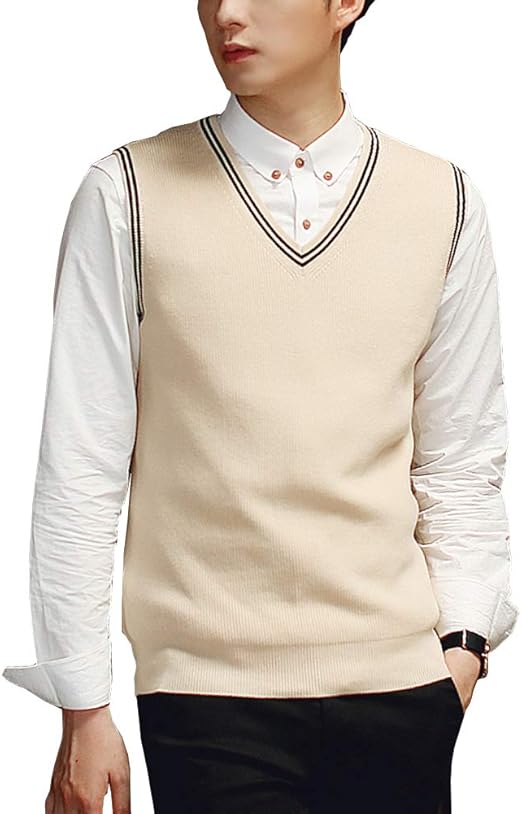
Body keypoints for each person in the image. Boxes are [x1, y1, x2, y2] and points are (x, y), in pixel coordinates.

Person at [2, 1, 519, 812]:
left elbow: (461, 460)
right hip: (205, 701)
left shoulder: (443, 199)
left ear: (346, 3)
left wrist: (463, 648)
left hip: (404, 695)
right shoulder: (128, 193)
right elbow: (81, 466)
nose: (226, 13)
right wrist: (82, 705)